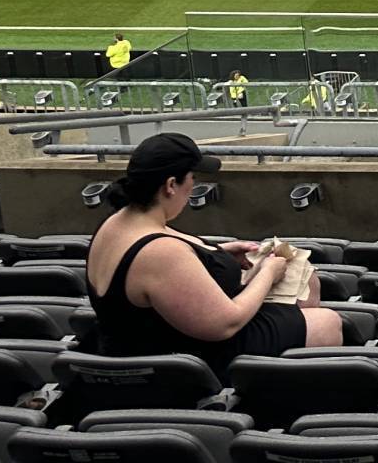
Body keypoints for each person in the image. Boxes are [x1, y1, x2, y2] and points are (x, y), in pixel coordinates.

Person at [86, 132, 343, 375]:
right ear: (171, 185)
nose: (193, 187)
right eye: (192, 179)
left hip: (149, 336)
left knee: (306, 286)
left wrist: (218, 254)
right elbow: (225, 325)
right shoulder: (159, 253)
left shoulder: (117, 222)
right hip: (184, 358)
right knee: (327, 323)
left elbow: (165, 269)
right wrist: (267, 273)